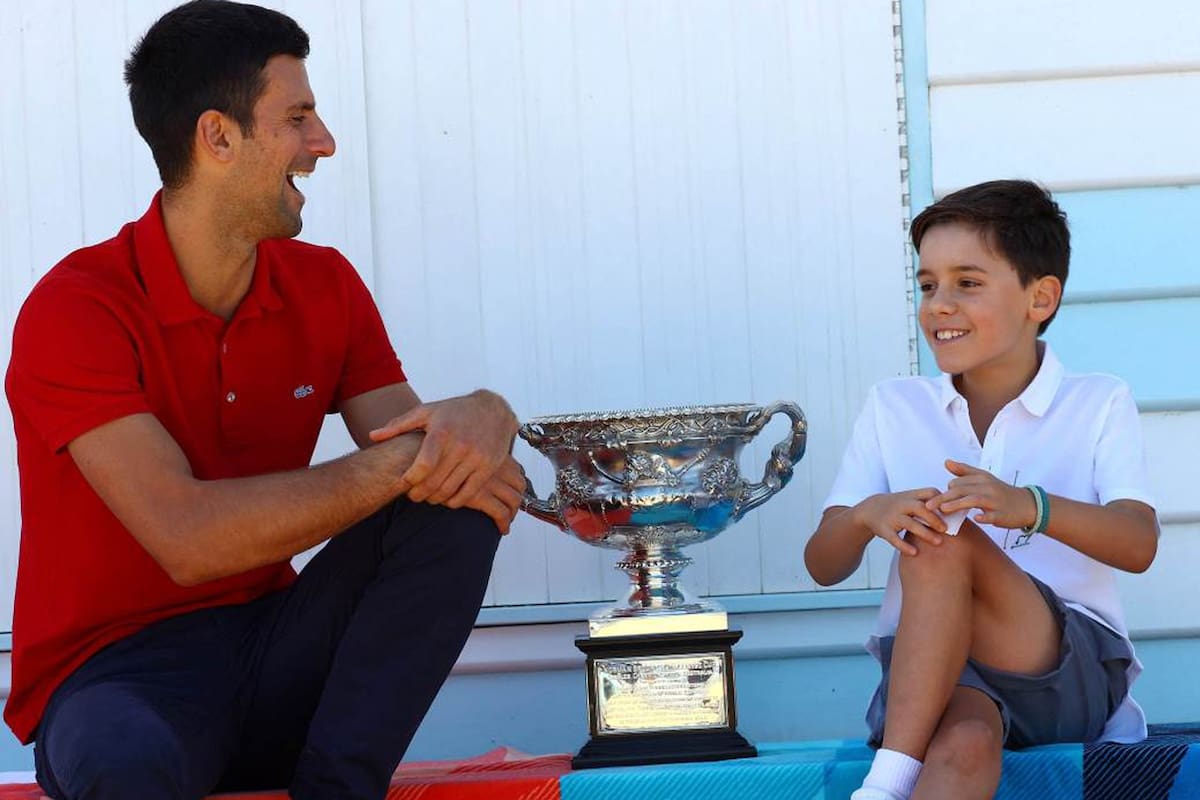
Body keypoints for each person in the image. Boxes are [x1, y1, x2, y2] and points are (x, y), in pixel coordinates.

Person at [3, 2, 527, 798]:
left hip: (277, 652)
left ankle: (338, 788)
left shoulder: (326, 285)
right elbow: (187, 539)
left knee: (456, 504)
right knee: (126, 765)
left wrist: (484, 414)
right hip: (118, 677)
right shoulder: (76, 308)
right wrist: (408, 460)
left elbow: (432, 461)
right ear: (217, 137)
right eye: (299, 116)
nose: (324, 142)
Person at [804, 179, 1159, 800]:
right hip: (935, 678)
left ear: (1039, 297)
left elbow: (1138, 544)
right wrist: (867, 515)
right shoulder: (893, 406)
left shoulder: (1097, 400)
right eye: (927, 284)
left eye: (968, 283)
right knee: (963, 749)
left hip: (1063, 667)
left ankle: (882, 787)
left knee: (943, 539)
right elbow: (823, 564)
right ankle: (891, 782)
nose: (939, 303)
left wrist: (1032, 507)